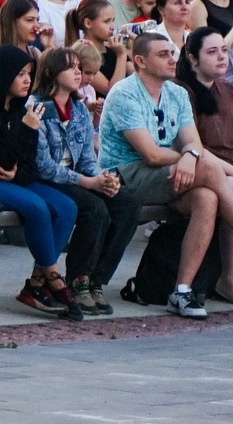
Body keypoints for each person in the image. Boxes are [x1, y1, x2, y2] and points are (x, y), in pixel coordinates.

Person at [97, 30, 227, 318]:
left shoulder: (176, 93)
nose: (173, 59)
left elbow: (194, 143)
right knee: (206, 168)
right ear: (140, 61)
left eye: (173, 53)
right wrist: (190, 158)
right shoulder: (124, 93)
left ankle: (181, 291)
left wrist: (190, 156)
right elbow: (151, 154)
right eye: (164, 54)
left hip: (164, 175)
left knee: (206, 198)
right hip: (122, 177)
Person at [0, 46, 81, 318]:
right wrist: (27, 130)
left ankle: (37, 282)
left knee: (67, 207)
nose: (27, 80)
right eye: (20, 74)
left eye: (29, 74)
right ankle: (54, 278)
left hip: (11, 178)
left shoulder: (23, 108)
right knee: (37, 208)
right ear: (3, 74)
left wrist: (18, 172)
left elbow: (30, 162)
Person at [28, 45, 133, 315]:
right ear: (52, 72)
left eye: (79, 67)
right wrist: (88, 183)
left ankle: (97, 280)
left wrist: (103, 178)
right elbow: (43, 167)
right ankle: (78, 281)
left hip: (75, 176)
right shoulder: (35, 106)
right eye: (71, 67)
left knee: (126, 203)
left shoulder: (77, 108)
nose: (78, 73)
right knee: (94, 208)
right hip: (50, 180)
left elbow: (86, 157)